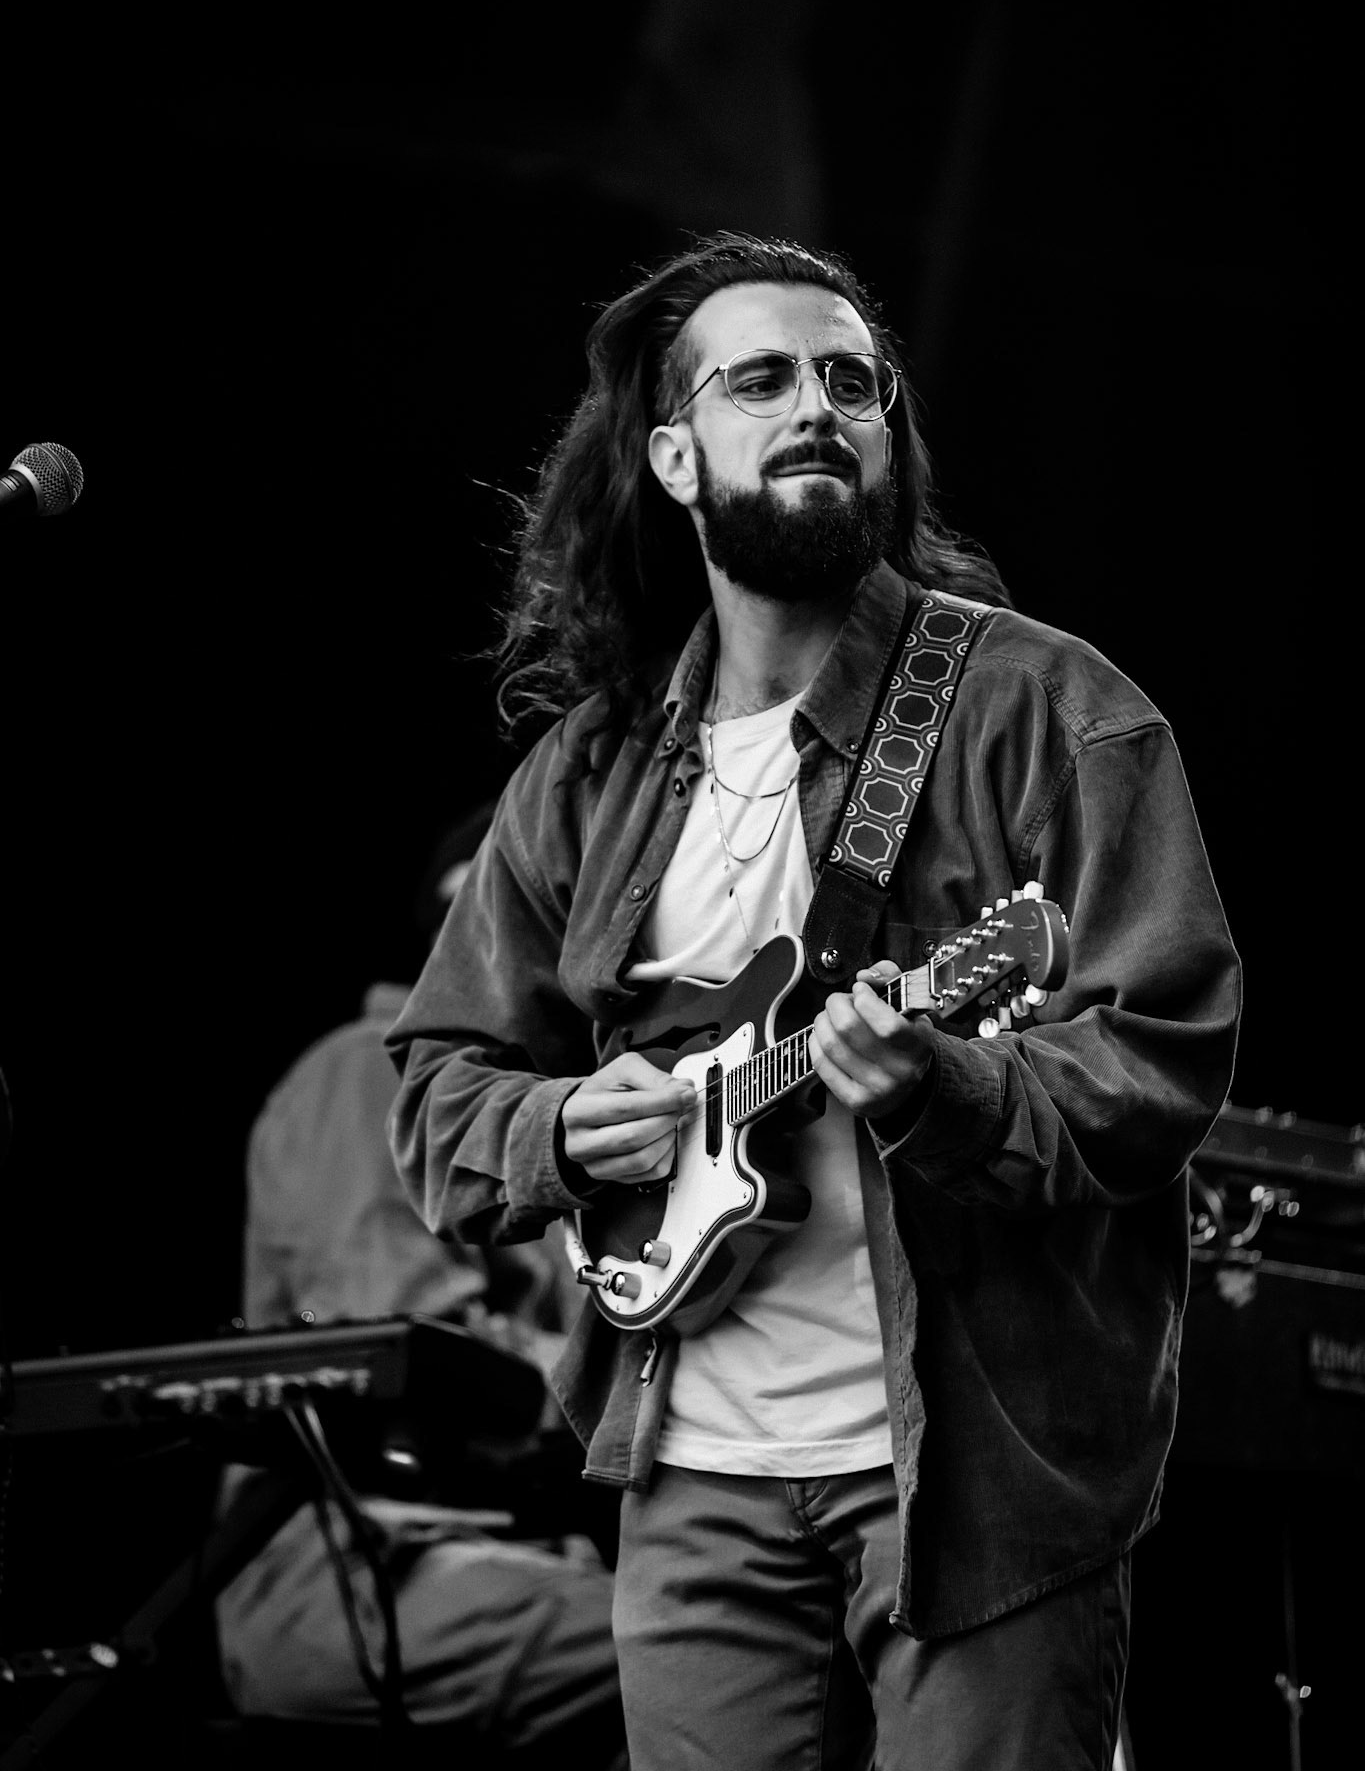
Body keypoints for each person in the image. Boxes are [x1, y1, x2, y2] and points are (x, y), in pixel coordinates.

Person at [385, 232, 1241, 1770]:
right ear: (671, 452)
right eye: (761, 380)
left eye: (854, 383)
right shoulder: (591, 771)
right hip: (688, 1456)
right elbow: (437, 1091)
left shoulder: (1047, 710)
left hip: (982, 1479)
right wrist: (569, 1124)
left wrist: (947, 1087)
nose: (816, 410)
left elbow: (1160, 1049)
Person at [214, 806, 626, 1769]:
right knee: (707, 1664)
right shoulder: (368, 1076)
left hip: (503, 1565)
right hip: (350, 1575)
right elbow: (413, 1370)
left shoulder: (538, 1117)